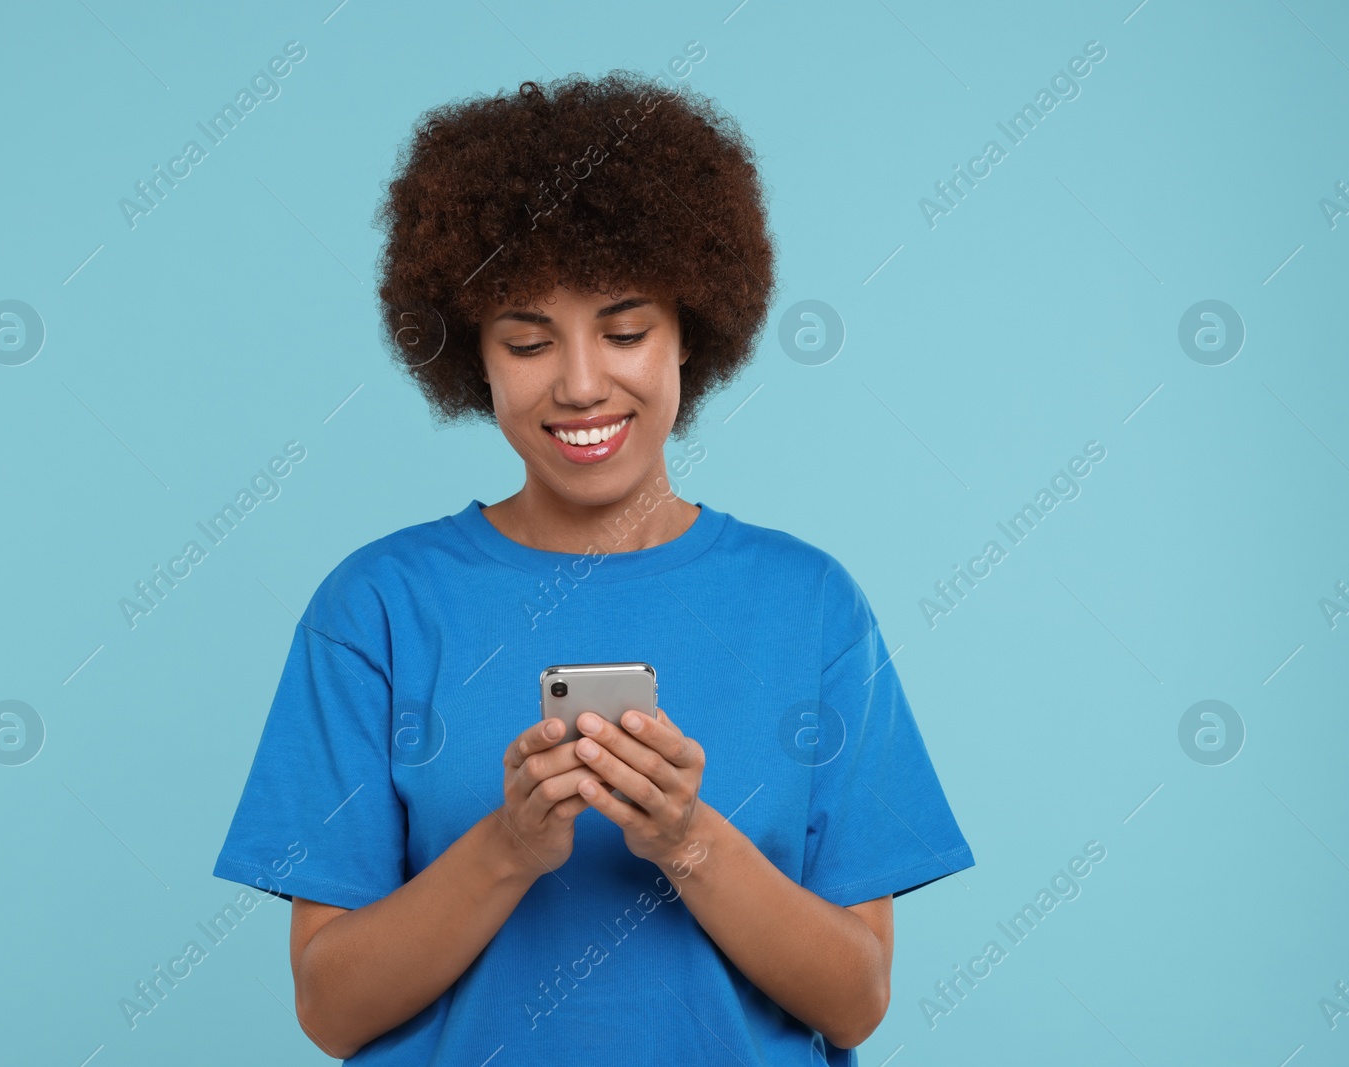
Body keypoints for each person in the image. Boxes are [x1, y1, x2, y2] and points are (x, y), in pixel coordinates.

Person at [213, 70, 973, 1064]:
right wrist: (508, 847)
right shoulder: (377, 608)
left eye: (624, 331)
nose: (579, 384)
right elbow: (330, 1007)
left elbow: (856, 999)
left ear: (688, 336)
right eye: (527, 340)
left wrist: (688, 839)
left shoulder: (808, 605)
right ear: (471, 357)